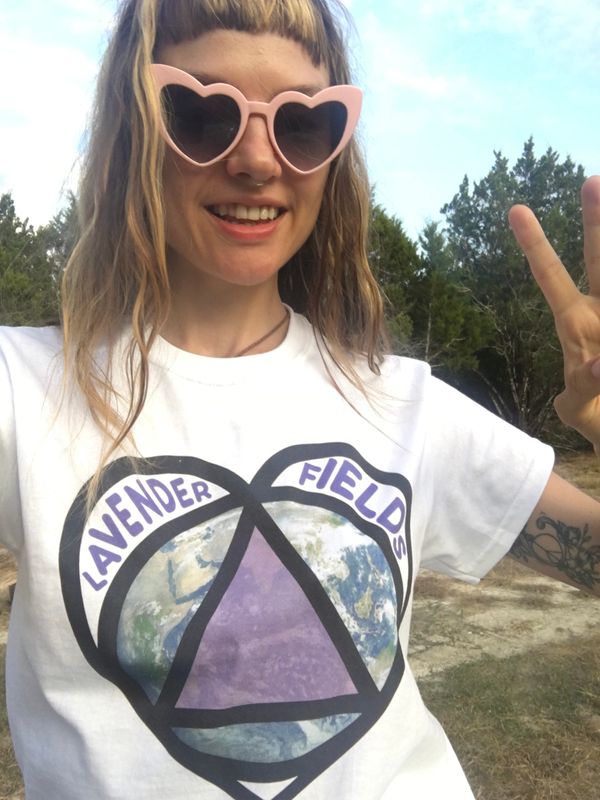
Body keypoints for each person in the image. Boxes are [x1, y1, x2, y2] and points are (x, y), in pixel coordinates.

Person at [0, 0, 598, 798]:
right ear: (132, 128)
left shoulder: (402, 401)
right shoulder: (25, 387)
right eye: (200, 112)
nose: (257, 159)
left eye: (304, 123)